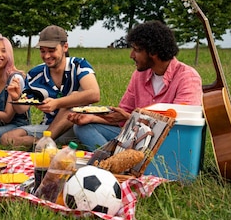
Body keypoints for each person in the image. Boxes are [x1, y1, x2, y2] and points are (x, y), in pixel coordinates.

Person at [68, 20, 203, 150]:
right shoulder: (139, 75)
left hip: (166, 145)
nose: (131, 55)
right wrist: (92, 117)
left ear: (153, 52)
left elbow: (177, 128)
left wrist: (129, 117)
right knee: (83, 127)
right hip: (136, 138)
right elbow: (123, 115)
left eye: (136, 50)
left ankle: (115, 163)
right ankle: (115, 163)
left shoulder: (187, 77)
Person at [0, 25, 101, 149]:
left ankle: (42, 145)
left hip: (77, 126)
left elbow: (94, 94)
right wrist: (16, 98)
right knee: (7, 138)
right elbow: (22, 109)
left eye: (51, 50)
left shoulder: (79, 65)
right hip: (48, 127)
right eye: (43, 51)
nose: (47, 56)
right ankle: (46, 143)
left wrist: (57, 103)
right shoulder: (35, 74)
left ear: (65, 47)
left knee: (73, 99)